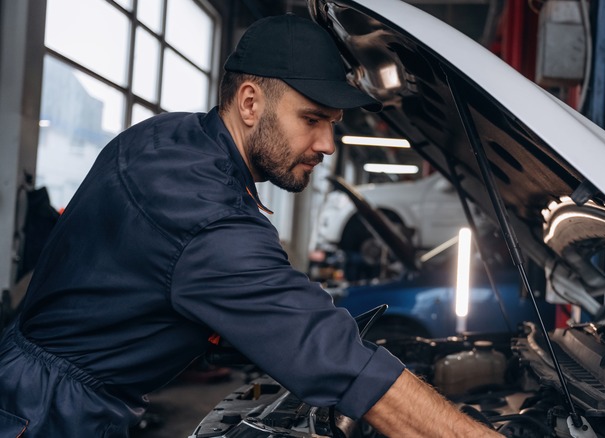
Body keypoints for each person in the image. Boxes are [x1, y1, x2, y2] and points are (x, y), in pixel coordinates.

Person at [0, 13, 500, 438]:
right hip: (50, 414)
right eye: (312, 119)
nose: (328, 144)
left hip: (42, 387)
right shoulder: (203, 211)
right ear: (249, 102)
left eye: (334, 124)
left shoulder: (171, 139)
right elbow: (331, 356)